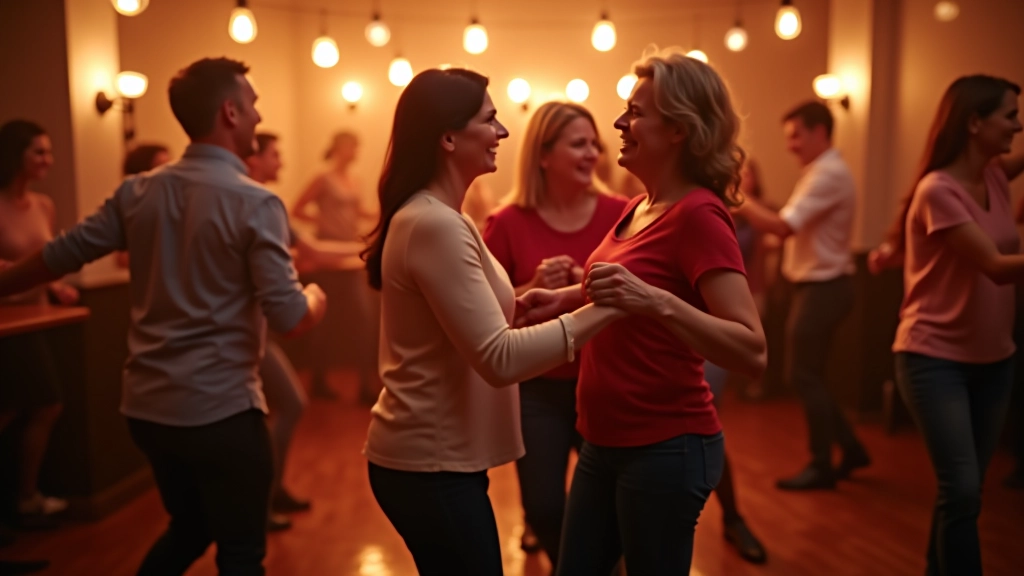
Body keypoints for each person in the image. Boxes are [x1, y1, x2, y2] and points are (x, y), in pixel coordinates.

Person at [0, 57, 327, 575]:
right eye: (254, 106)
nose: (259, 117)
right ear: (230, 112)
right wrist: (315, 296)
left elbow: (59, 255)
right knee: (242, 553)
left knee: (189, 527)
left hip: (149, 411)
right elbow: (291, 317)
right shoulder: (255, 202)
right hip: (221, 411)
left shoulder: (139, 191)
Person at [360, 68, 625, 576]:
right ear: (448, 137)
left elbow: (468, 319)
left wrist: (536, 299)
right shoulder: (435, 222)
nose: (503, 132)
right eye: (491, 119)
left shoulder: (440, 216)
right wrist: (608, 309)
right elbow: (499, 359)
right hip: (430, 463)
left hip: (437, 462)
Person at [517, 47, 767, 575]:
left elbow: (751, 347)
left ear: (678, 129)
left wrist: (655, 301)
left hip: (666, 446)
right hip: (604, 440)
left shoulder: (698, 214)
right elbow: (619, 292)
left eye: (635, 112)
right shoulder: (639, 205)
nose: (619, 123)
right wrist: (559, 299)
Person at [885, 75, 1022, 576]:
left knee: (962, 493)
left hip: (995, 358)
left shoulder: (991, 176)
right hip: (933, 358)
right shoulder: (937, 191)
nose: (1018, 125)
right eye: (1010, 115)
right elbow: (992, 264)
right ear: (974, 122)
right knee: (962, 489)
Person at [482, 101, 628, 571]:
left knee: (615, 508)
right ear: (543, 155)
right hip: (537, 389)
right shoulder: (506, 222)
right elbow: (481, 314)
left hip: (606, 385)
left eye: (594, 144)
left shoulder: (622, 214)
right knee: (543, 505)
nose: (593, 154)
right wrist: (530, 288)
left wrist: (584, 284)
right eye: (578, 144)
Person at [733, 101, 870, 490]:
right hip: (820, 285)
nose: (790, 145)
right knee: (811, 375)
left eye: (795, 136)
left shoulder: (827, 174)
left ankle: (821, 463)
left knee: (802, 375)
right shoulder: (820, 173)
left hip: (824, 286)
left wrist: (737, 200)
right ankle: (851, 447)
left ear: (820, 132)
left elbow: (783, 226)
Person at [0, 120, 78, 530]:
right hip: (5, 325)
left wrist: (59, 288)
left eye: (49, 152)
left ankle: (26, 497)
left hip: (36, 321)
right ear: (16, 156)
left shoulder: (44, 205)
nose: (48, 160)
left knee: (46, 404)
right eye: (39, 152)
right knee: (14, 407)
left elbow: (46, 265)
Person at [244, 132, 311, 532]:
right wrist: (313, 299)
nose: (282, 163)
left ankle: (270, 491)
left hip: (259, 330)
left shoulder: (265, 204)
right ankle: (262, 499)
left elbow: (310, 247)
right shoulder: (255, 203)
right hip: (248, 334)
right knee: (287, 405)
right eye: (276, 155)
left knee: (286, 406)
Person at [291, 131, 379, 403]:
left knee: (362, 319)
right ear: (340, 148)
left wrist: (381, 214)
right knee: (324, 321)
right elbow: (297, 209)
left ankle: (365, 385)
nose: (356, 151)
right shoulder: (323, 178)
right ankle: (318, 380)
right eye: (352, 146)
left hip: (349, 256)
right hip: (328, 255)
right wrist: (323, 223)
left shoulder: (355, 180)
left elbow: (355, 212)